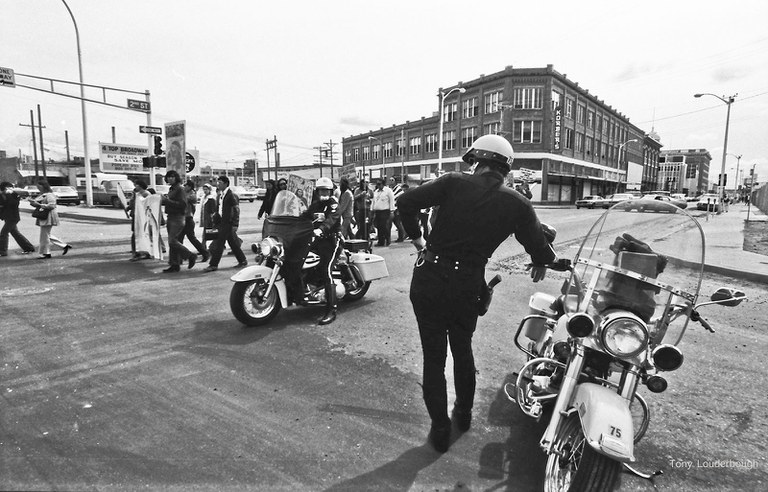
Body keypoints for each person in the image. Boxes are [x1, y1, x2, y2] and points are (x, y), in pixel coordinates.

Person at [396, 134, 556, 453]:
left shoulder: (453, 182)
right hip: (467, 284)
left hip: (430, 277)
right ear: (505, 169)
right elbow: (537, 243)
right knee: (462, 349)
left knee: (433, 356)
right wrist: (542, 261)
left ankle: (440, 429)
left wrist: (418, 242)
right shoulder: (517, 203)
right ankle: (464, 415)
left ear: (478, 162)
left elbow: (405, 203)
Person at [299, 176, 341, 325]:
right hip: (317, 240)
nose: (323, 192)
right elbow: (305, 216)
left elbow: (332, 220)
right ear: (317, 191)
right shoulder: (315, 205)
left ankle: (331, 310)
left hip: (332, 240)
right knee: (299, 260)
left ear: (330, 191)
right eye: (321, 190)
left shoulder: (333, 205)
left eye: (326, 190)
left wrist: (321, 229)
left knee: (326, 270)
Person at [203, 175, 247, 272]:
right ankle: (242, 260)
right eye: (218, 183)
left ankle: (213, 264)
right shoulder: (220, 194)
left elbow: (236, 209)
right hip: (221, 222)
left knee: (219, 243)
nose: (218, 185)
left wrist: (235, 224)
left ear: (226, 184)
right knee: (232, 243)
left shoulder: (231, 195)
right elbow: (219, 208)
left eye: (220, 183)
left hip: (228, 222)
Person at [160, 170, 197, 273]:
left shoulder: (180, 189)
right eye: (168, 177)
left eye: (172, 177)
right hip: (171, 217)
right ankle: (174, 264)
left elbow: (182, 205)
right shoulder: (172, 189)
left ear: (176, 178)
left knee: (172, 241)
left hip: (178, 218)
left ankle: (190, 255)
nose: (170, 179)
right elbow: (171, 203)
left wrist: (167, 201)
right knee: (172, 242)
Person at [30, 179, 73, 259]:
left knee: (44, 235)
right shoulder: (43, 195)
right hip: (44, 216)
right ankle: (62, 246)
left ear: (44, 187)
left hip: (48, 216)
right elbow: (38, 204)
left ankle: (46, 253)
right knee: (46, 235)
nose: (38, 189)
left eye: (39, 187)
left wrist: (39, 205)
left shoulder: (49, 195)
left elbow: (52, 206)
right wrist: (33, 203)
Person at [0, 181, 36, 256]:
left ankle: (3, 252)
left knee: (3, 233)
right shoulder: (2, 195)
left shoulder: (15, 194)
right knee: (15, 233)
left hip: (13, 217)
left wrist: (9, 194)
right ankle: (29, 248)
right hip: (7, 217)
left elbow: (14, 204)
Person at [177, 180, 209, 262]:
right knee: (179, 239)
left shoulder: (192, 194)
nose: (184, 187)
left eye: (186, 186)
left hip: (188, 219)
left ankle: (204, 253)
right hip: (182, 218)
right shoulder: (185, 193)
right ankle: (179, 258)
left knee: (192, 238)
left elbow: (186, 199)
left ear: (190, 186)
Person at [128, 179, 152, 261]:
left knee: (137, 235)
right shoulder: (136, 194)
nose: (135, 186)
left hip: (142, 217)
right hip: (136, 216)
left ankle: (138, 253)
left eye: (136, 185)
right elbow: (133, 203)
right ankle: (142, 252)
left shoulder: (145, 194)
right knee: (137, 234)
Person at [371, 179, 395, 246]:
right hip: (377, 211)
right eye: (377, 184)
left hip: (385, 211)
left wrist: (392, 211)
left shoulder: (388, 191)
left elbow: (391, 201)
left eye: (379, 184)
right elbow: (374, 201)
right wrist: (372, 209)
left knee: (384, 226)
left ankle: (387, 240)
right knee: (379, 227)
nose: (378, 185)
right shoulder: (376, 192)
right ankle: (381, 241)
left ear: (383, 184)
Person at [199, 183, 218, 251]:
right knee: (207, 234)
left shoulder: (211, 198)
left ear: (209, 190)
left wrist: (212, 219)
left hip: (209, 219)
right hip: (205, 218)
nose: (205, 191)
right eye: (204, 189)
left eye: (206, 189)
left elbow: (213, 210)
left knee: (211, 233)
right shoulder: (204, 197)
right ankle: (204, 248)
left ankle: (205, 248)